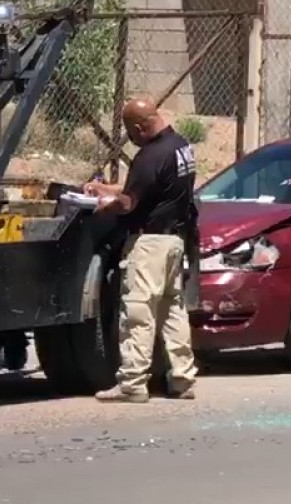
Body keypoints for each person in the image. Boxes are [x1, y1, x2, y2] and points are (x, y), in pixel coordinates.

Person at [84, 97, 199, 404]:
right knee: (172, 311)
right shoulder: (180, 147)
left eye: (130, 132)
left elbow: (130, 202)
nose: (130, 138)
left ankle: (132, 382)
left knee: (138, 311)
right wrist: (104, 188)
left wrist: (104, 206)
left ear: (139, 127)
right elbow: (147, 188)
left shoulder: (150, 156)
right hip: (175, 242)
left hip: (149, 245)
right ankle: (182, 378)